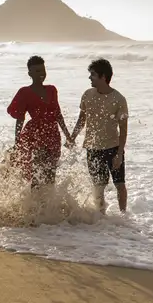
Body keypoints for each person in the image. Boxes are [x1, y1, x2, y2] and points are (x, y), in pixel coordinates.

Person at [69, 58, 129, 213]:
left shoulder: (119, 99)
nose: (90, 77)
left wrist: (119, 154)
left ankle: (124, 218)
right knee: (98, 186)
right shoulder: (87, 95)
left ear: (103, 77)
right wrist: (72, 137)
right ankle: (101, 221)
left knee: (120, 184)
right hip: (93, 148)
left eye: (93, 75)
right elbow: (82, 119)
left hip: (113, 147)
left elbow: (123, 129)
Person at [7, 55, 72, 187]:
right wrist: (17, 142)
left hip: (53, 135)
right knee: (37, 173)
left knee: (50, 174)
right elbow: (20, 119)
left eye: (43, 70)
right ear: (29, 73)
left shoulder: (52, 89)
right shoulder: (24, 92)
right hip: (35, 135)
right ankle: (36, 205)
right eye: (37, 71)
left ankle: (48, 205)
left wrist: (68, 135)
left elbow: (58, 114)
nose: (41, 74)